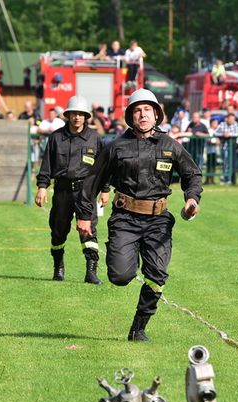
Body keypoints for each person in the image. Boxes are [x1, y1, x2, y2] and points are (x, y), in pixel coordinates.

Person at [75, 89, 203, 341]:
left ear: (156, 114)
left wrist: (192, 198)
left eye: (147, 110)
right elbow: (91, 181)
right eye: (137, 110)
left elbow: (192, 174)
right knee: (121, 276)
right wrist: (84, 216)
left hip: (159, 220)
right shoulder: (115, 147)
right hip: (125, 218)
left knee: (157, 275)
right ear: (130, 116)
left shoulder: (170, 146)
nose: (142, 114)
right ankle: (124, 254)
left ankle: (138, 328)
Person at [35, 96, 110, 284]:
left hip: (86, 192)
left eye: (81, 114)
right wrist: (42, 187)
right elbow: (47, 165)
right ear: (68, 115)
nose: (77, 117)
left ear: (87, 117)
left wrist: (106, 189)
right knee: (58, 231)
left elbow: (103, 167)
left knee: (89, 231)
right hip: (62, 191)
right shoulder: (56, 138)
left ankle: (91, 272)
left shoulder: (95, 139)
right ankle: (58, 267)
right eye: (74, 114)